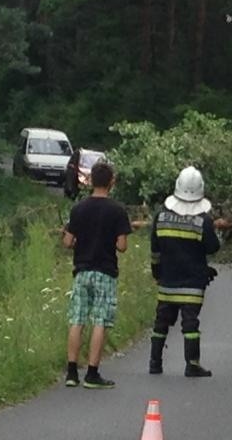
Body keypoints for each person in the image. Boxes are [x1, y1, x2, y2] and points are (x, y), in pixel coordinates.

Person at [62, 162, 132, 388]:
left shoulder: (79, 208)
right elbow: (122, 246)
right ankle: (92, 373)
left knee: (77, 319)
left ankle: (71, 372)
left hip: (82, 270)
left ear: (90, 180)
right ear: (112, 181)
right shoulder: (117, 210)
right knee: (100, 321)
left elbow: (67, 241)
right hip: (105, 271)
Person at [149, 166, 220, 377]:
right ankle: (192, 364)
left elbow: (155, 250)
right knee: (190, 324)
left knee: (161, 322)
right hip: (192, 285)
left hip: (167, 282)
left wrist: (157, 273)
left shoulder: (160, 217)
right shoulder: (203, 221)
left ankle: (155, 362)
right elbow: (213, 247)